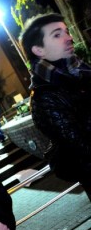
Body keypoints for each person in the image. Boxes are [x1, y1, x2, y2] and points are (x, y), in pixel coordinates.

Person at [19, 12, 91, 201]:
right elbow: (82, 147)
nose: (69, 38)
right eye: (57, 35)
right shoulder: (45, 97)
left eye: (66, 32)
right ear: (38, 50)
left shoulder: (82, 72)